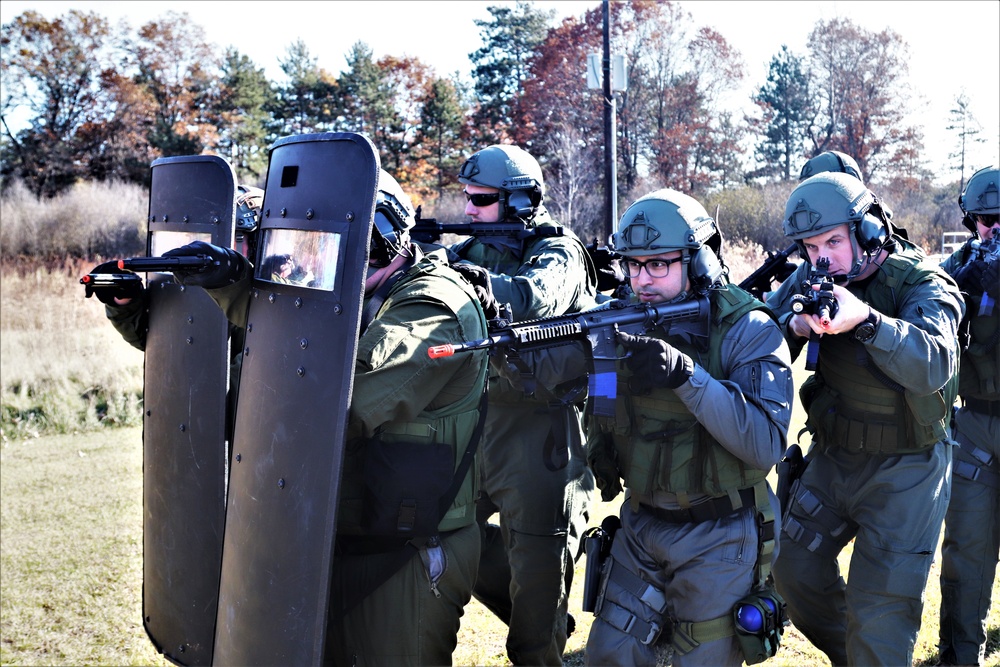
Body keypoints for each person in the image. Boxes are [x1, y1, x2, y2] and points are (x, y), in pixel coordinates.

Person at [165, 169, 491, 666]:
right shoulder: (349, 293)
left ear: (380, 239)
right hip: (342, 531)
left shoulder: (430, 306)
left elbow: (343, 406)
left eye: (330, 244)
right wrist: (229, 283)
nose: (312, 261)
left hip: (408, 548)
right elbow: (292, 336)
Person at [575, 189, 794, 666]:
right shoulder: (620, 318)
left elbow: (765, 445)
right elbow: (602, 408)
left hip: (722, 532)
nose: (641, 279)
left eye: (658, 264)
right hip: (641, 524)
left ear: (698, 262)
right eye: (632, 265)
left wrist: (686, 377)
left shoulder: (748, 329)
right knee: (608, 656)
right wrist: (589, 363)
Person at [767, 171, 964, 665]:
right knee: (791, 570)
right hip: (834, 457)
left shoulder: (922, 282)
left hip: (907, 469)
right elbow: (752, 335)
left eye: (833, 241)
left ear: (869, 230)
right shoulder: (812, 277)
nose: (822, 258)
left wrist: (868, 322)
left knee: (880, 615)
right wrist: (792, 326)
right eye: (811, 247)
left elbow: (934, 363)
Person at [447, 143, 598, 665]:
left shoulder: (560, 251)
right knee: (441, 539)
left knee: (536, 584)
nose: (468, 209)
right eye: (467, 197)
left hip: (542, 438)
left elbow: (536, 297)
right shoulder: (468, 252)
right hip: (475, 427)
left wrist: (474, 285)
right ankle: (544, 618)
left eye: (480, 199)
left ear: (517, 201)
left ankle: (542, 629)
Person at [83, 184, 264, 445]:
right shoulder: (198, 282)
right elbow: (159, 340)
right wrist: (124, 300)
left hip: (247, 441)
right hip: (188, 435)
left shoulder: (280, 292)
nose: (213, 249)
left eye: (233, 239)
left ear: (257, 243)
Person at [937, 165, 1000, 667]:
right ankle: (959, 656)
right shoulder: (957, 267)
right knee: (966, 550)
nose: (994, 229)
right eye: (985, 220)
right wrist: (958, 292)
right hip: (975, 424)